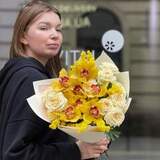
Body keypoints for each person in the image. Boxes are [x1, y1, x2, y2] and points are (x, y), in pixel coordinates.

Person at [0, 1, 110, 160]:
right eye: (44, 28)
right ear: (23, 36)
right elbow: (15, 154)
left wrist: (91, 136)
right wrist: (77, 151)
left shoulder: (19, 73)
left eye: (58, 29)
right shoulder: (30, 79)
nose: (55, 34)